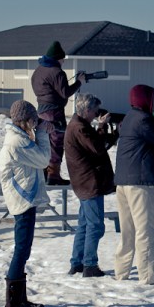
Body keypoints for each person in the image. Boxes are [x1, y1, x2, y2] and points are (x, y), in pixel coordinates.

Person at [113, 84, 154, 285]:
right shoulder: (143, 120)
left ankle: (121, 273)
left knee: (128, 231)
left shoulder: (130, 117)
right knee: (145, 230)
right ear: (145, 99)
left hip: (124, 181)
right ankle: (147, 277)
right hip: (138, 183)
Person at [0, 100, 54, 307]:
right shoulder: (17, 141)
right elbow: (43, 160)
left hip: (25, 198)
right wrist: (42, 133)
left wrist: (38, 131)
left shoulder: (20, 138)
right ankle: (11, 305)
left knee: (25, 249)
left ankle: (19, 299)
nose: (36, 122)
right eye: (34, 118)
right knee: (21, 250)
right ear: (25, 119)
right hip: (22, 200)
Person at [64, 93, 118, 278]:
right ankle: (89, 264)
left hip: (82, 181)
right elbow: (97, 148)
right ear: (86, 110)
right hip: (89, 183)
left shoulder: (77, 125)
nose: (97, 113)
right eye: (95, 110)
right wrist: (104, 129)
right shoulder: (80, 128)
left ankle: (77, 262)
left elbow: (93, 145)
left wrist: (100, 127)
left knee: (84, 224)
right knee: (95, 225)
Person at [31, 40, 87, 185]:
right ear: (58, 58)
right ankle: (53, 175)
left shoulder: (38, 70)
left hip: (41, 111)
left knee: (43, 141)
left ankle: (43, 172)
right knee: (56, 142)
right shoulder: (57, 72)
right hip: (54, 111)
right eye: (62, 59)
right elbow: (65, 92)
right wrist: (79, 81)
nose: (63, 61)